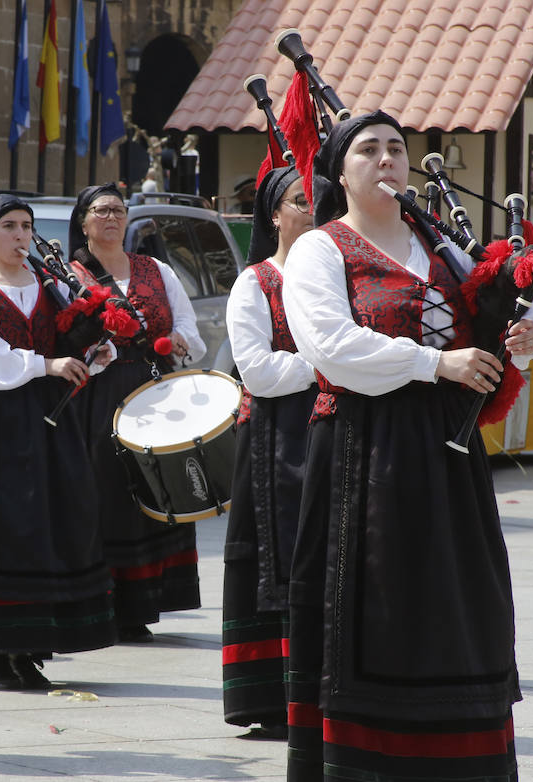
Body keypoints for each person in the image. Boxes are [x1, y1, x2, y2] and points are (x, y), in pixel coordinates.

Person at [282, 112, 533, 781]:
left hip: (446, 455)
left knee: (457, 604)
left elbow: (489, 345)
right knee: (375, 608)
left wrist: (515, 346)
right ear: (340, 171)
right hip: (361, 452)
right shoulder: (322, 249)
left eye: (396, 149)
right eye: (367, 150)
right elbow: (332, 351)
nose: (386, 160)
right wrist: (437, 365)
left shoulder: (445, 250)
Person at [0, 194, 118, 688]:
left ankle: (32, 646)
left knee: (52, 521)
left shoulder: (51, 286)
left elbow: (73, 341)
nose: (21, 236)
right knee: (8, 527)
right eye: (9, 226)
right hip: (3, 420)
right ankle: (0, 650)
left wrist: (96, 346)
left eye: (26, 226)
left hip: (53, 418)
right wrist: (45, 364)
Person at [68, 184, 206, 643]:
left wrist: (184, 342)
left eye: (118, 211)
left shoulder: (156, 270)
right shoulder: (68, 275)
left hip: (154, 391)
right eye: (101, 211)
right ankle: (103, 601)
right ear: (84, 221)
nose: (111, 218)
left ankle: (143, 604)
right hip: (97, 399)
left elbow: (187, 325)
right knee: (104, 493)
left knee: (154, 492)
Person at [220, 165, 315, 740]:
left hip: (331, 428)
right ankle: (272, 697)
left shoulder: (342, 277)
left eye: (315, 201)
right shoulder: (254, 282)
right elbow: (256, 369)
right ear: (274, 215)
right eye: (299, 201)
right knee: (273, 555)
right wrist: (329, 364)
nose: (309, 210)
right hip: (277, 435)